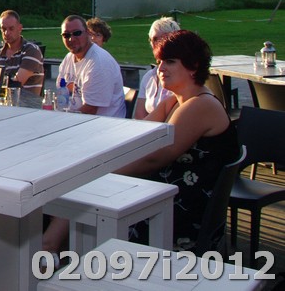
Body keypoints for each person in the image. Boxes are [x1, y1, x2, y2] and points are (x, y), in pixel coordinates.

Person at [118, 30, 239, 251]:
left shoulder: (200, 105)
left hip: (183, 212)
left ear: (193, 66)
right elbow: (136, 135)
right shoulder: (175, 101)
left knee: (93, 206)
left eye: (170, 61)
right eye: (159, 62)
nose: (160, 69)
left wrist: (104, 173)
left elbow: (155, 159)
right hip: (165, 194)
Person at [58, 15, 125, 117]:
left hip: (101, 123)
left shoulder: (99, 63)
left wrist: (62, 118)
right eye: (66, 35)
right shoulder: (69, 58)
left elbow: (90, 109)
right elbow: (62, 91)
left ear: (88, 33)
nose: (71, 39)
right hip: (78, 118)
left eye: (77, 33)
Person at [133, 17, 181, 119]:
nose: (158, 44)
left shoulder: (180, 76)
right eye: (154, 39)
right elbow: (139, 116)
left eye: (164, 39)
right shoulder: (149, 77)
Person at [0, 10, 44, 96]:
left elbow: (16, 84)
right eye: (3, 29)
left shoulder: (31, 51)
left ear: (20, 28)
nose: (6, 33)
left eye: (11, 28)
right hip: (2, 102)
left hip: (27, 103)